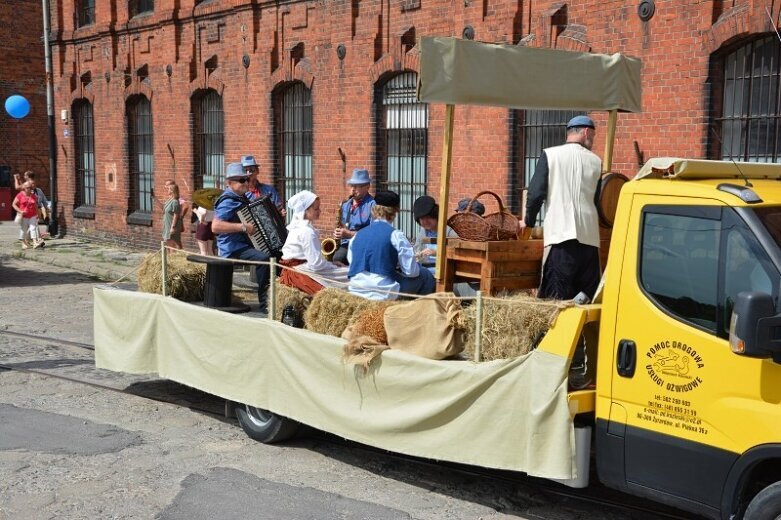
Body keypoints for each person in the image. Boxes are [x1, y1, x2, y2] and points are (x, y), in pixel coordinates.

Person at [519, 114, 602, 390]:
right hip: (590, 241)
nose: (594, 139)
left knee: (553, 302)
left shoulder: (550, 155)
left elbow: (536, 193)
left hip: (561, 237)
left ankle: (547, 365)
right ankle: (583, 365)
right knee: (584, 303)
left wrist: (527, 223)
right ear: (585, 132)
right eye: (593, 134)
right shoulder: (596, 161)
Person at [348, 190, 435, 300]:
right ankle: (418, 311)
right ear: (394, 212)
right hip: (383, 293)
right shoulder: (396, 235)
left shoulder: (356, 236)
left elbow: (353, 262)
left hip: (356, 290)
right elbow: (411, 272)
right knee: (425, 275)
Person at [212, 162, 272, 313]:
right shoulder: (228, 201)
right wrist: (242, 227)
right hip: (232, 248)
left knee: (276, 252)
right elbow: (216, 226)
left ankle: (275, 298)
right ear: (229, 183)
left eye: (246, 179)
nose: (246, 182)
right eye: (241, 180)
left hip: (244, 245)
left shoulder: (242, 197)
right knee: (264, 259)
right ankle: (264, 304)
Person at [279, 190, 349, 295]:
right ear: (305, 211)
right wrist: (333, 266)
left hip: (297, 269)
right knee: (348, 275)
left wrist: (331, 264)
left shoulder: (299, 227)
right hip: (300, 273)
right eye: (316, 209)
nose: (319, 211)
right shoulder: (306, 231)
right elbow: (316, 265)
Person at [332, 168, 376, 265]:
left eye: (357, 186)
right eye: (352, 185)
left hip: (363, 245)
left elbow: (373, 235)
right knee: (336, 260)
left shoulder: (373, 205)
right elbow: (343, 226)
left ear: (367, 186)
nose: (353, 189)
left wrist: (349, 234)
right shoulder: (346, 205)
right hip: (346, 244)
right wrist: (338, 233)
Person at [411, 195, 456, 270]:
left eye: (428, 217)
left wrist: (436, 252)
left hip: (443, 271)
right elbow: (416, 249)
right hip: (424, 269)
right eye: (422, 218)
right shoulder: (423, 232)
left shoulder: (448, 232)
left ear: (436, 216)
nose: (425, 221)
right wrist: (418, 254)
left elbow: (457, 252)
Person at [13, 171, 48, 240]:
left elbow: (17, 187)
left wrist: (15, 179)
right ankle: (35, 239)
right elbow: (23, 187)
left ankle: (27, 239)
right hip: (33, 207)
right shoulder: (31, 183)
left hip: (32, 207)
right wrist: (19, 180)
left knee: (31, 225)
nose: (24, 177)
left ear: (28, 176)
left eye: (25, 175)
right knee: (32, 225)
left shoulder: (30, 183)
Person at [12, 181, 43, 249]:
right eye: (27, 188)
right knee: (24, 229)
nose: (29, 189)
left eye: (30, 188)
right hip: (24, 216)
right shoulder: (20, 195)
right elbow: (13, 204)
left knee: (33, 228)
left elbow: (36, 206)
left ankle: (35, 242)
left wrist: (38, 215)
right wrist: (20, 211)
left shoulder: (33, 196)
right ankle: (23, 243)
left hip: (32, 215)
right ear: (24, 188)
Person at [162, 183, 184, 249]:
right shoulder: (169, 200)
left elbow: (176, 214)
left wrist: (173, 227)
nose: (167, 190)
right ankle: (169, 256)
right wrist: (155, 198)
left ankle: (173, 256)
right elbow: (163, 208)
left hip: (172, 224)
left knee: (173, 242)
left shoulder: (175, 201)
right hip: (167, 223)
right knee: (168, 242)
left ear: (172, 191)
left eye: (168, 189)